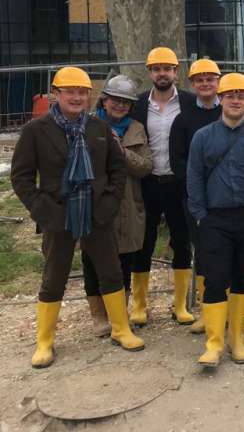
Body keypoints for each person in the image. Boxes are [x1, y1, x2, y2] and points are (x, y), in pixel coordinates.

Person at [11, 67, 144, 368]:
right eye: (69, 91)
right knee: (54, 277)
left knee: (111, 272)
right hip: (58, 216)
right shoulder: (36, 130)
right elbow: (21, 177)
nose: (76, 97)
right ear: (55, 94)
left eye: (82, 92)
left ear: (89, 95)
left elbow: (118, 168)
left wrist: (109, 202)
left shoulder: (98, 128)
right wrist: (41, 209)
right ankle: (45, 341)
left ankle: (121, 329)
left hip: (96, 213)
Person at [187, 73, 244, 368]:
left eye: (242, 96)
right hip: (215, 219)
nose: (236, 100)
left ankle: (237, 339)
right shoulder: (203, 137)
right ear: (221, 98)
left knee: (241, 279)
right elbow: (194, 177)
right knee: (214, 280)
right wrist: (201, 217)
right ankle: (214, 343)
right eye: (231, 95)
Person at [130, 47, 196, 327]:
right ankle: (140, 305)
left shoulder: (190, 103)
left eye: (167, 69)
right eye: (157, 69)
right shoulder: (138, 103)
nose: (162, 74)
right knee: (142, 243)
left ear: (176, 72)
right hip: (147, 181)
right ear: (150, 73)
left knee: (182, 242)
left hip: (178, 183)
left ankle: (180, 305)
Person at [83, 75, 152, 337]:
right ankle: (99, 316)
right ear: (105, 99)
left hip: (128, 204)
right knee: (92, 259)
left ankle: (119, 314)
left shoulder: (136, 129)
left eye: (126, 102)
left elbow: (146, 166)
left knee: (124, 259)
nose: (120, 106)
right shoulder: (88, 124)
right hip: (95, 202)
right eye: (116, 100)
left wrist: (121, 151)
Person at [168, 58, 222, 334]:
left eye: (210, 79)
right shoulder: (183, 120)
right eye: (199, 80)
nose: (205, 83)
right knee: (202, 252)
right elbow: (177, 161)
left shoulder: (232, 111)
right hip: (196, 199)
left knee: (231, 253)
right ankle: (206, 310)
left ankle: (232, 309)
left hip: (229, 200)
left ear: (218, 82)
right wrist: (198, 186)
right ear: (192, 84)